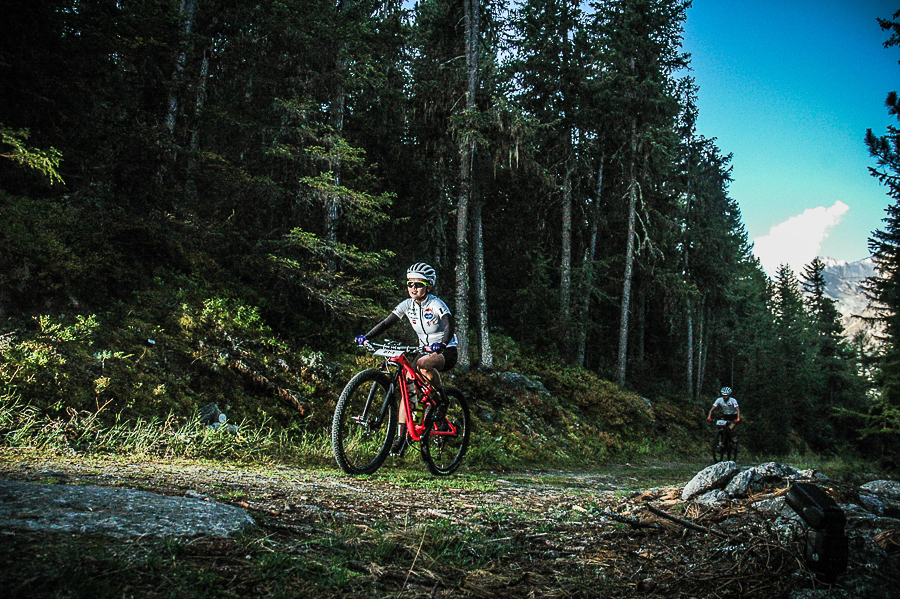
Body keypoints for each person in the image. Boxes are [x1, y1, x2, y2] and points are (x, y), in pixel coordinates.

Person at [355, 262, 458, 455]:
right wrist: (366, 336)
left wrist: (443, 344)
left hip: (446, 350)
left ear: (429, 286)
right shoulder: (407, 305)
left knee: (423, 364)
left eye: (418, 284)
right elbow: (386, 323)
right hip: (423, 349)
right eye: (410, 284)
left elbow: (449, 325)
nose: (413, 288)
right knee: (408, 388)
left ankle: (442, 399)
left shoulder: (436, 304)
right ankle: (401, 437)